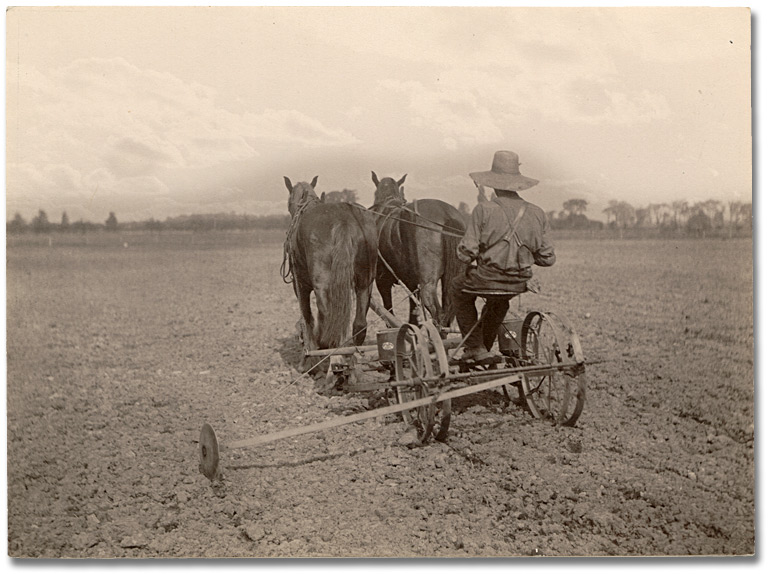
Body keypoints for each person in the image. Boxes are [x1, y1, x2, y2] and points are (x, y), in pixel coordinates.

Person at [450, 150, 555, 362]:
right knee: (500, 302)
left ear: (494, 183)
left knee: (457, 289)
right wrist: (521, 256)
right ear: (517, 183)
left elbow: (466, 253)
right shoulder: (537, 213)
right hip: (518, 282)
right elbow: (547, 258)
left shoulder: (483, 210)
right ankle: (484, 348)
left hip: (487, 278)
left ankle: (474, 347)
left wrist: (466, 250)